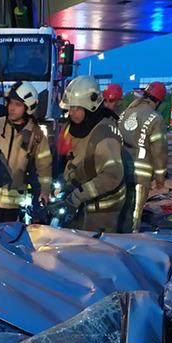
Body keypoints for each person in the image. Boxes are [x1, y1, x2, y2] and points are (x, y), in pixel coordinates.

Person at [56, 76, 127, 233]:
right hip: (85, 204)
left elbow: (112, 175)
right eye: (69, 108)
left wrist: (78, 195)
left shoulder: (104, 133)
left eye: (76, 108)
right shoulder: (80, 126)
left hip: (102, 210)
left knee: (94, 253)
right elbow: (79, 158)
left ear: (91, 106)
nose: (71, 113)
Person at [0, 81, 51, 223]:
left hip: (15, 205)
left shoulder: (37, 135)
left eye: (17, 104)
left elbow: (44, 167)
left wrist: (45, 190)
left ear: (28, 107)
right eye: (10, 102)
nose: (11, 108)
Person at [117, 81, 168, 232]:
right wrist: (160, 177)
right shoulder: (155, 118)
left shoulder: (126, 113)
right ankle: (131, 245)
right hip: (141, 175)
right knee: (134, 215)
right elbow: (159, 150)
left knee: (121, 210)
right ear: (158, 101)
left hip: (120, 171)